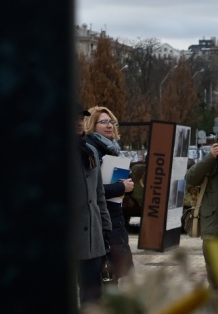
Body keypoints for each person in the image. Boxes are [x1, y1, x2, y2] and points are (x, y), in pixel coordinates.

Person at [85, 106, 135, 282]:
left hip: (115, 218)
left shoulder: (112, 150)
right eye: (103, 122)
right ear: (91, 125)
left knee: (116, 279)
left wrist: (127, 184)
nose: (109, 126)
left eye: (111, 122)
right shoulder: (90, 150)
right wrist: (121, 188)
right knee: (106, 280)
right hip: (100, 222)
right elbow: (91, 191)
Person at [73, 103, 112, 305]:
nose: (79, 122)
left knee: (93, 299)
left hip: (93, 239)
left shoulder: (91, 152)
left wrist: (106, 230)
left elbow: (99, 196)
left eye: (81, 118)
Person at [185, 129, 218, 289]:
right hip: (211, 231)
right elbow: (190, 178)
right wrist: (210, 158)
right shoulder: (210, 165)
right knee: (215, 280)